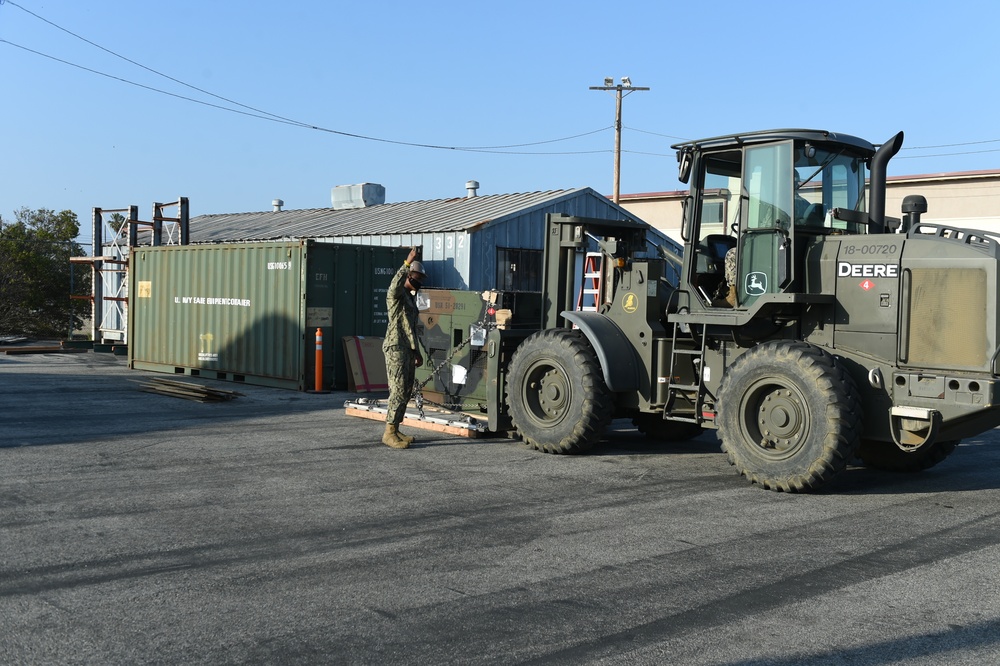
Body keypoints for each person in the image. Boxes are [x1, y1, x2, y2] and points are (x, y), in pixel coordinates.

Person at [381, 247, 426, 449]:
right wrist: (407, 262)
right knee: (398, 390)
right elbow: (393, 287)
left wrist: (416, 352)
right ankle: (389, 432)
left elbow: (410, 329)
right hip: (396, 347)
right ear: (408, 276)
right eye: (415, 278)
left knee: (406, 391)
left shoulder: (410, 298)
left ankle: (396, 428)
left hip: (407, 348)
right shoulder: (397, 296)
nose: (418, 282)